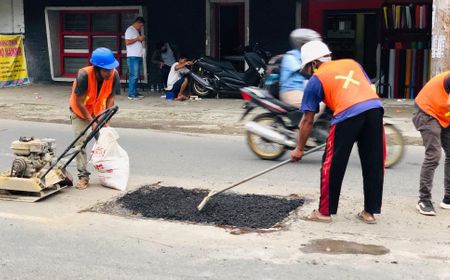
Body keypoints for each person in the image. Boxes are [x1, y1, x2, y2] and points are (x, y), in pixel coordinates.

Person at [290, 41, 385, 224]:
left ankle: (324, 213)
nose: (309, 71)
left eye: (309, 67)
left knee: (332, 164)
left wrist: (299, 149)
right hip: (374, 109)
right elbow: (368, 87)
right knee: (373, 162)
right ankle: (369, 212)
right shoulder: (352, 63)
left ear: (314, 63)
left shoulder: (315, 80)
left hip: (347, 114)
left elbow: (308, 120)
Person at [69, 47, 120, 190]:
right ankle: (83, 176)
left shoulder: (114, 75)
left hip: (98, 112)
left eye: (111, 69)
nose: (110, 73)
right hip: (80, 112)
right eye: (106, 70)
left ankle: (110, 173)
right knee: (80, 144)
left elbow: (111, 97)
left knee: (105, 142)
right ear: (97, 69)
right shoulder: (83, 75)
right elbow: (79, 102)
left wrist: (106, 118)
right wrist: (92, 121)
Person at [413, 71, 450, 215]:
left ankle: (448, 198)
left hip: (444, 115)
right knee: (434, 155)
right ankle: (424, 200)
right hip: (427, 112)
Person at [279, 29, 320, 108]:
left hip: (302, 90)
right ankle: (307, 121)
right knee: (317, 105)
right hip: (291, 92)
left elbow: (316, 70)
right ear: (302, 44)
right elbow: (305, 72)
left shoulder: (305, 56)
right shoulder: (291, 57)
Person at [125, 16, 145, 100]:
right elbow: (127, 42)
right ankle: (131, 94)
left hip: (137, 55)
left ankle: (135, 92)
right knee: (134, 75)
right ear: (138, 22)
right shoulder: (130, 30)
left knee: (136, 75)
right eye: (141, 25)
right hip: (133, 56)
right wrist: (138, 39)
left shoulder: (135, 30)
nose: (141, 27)